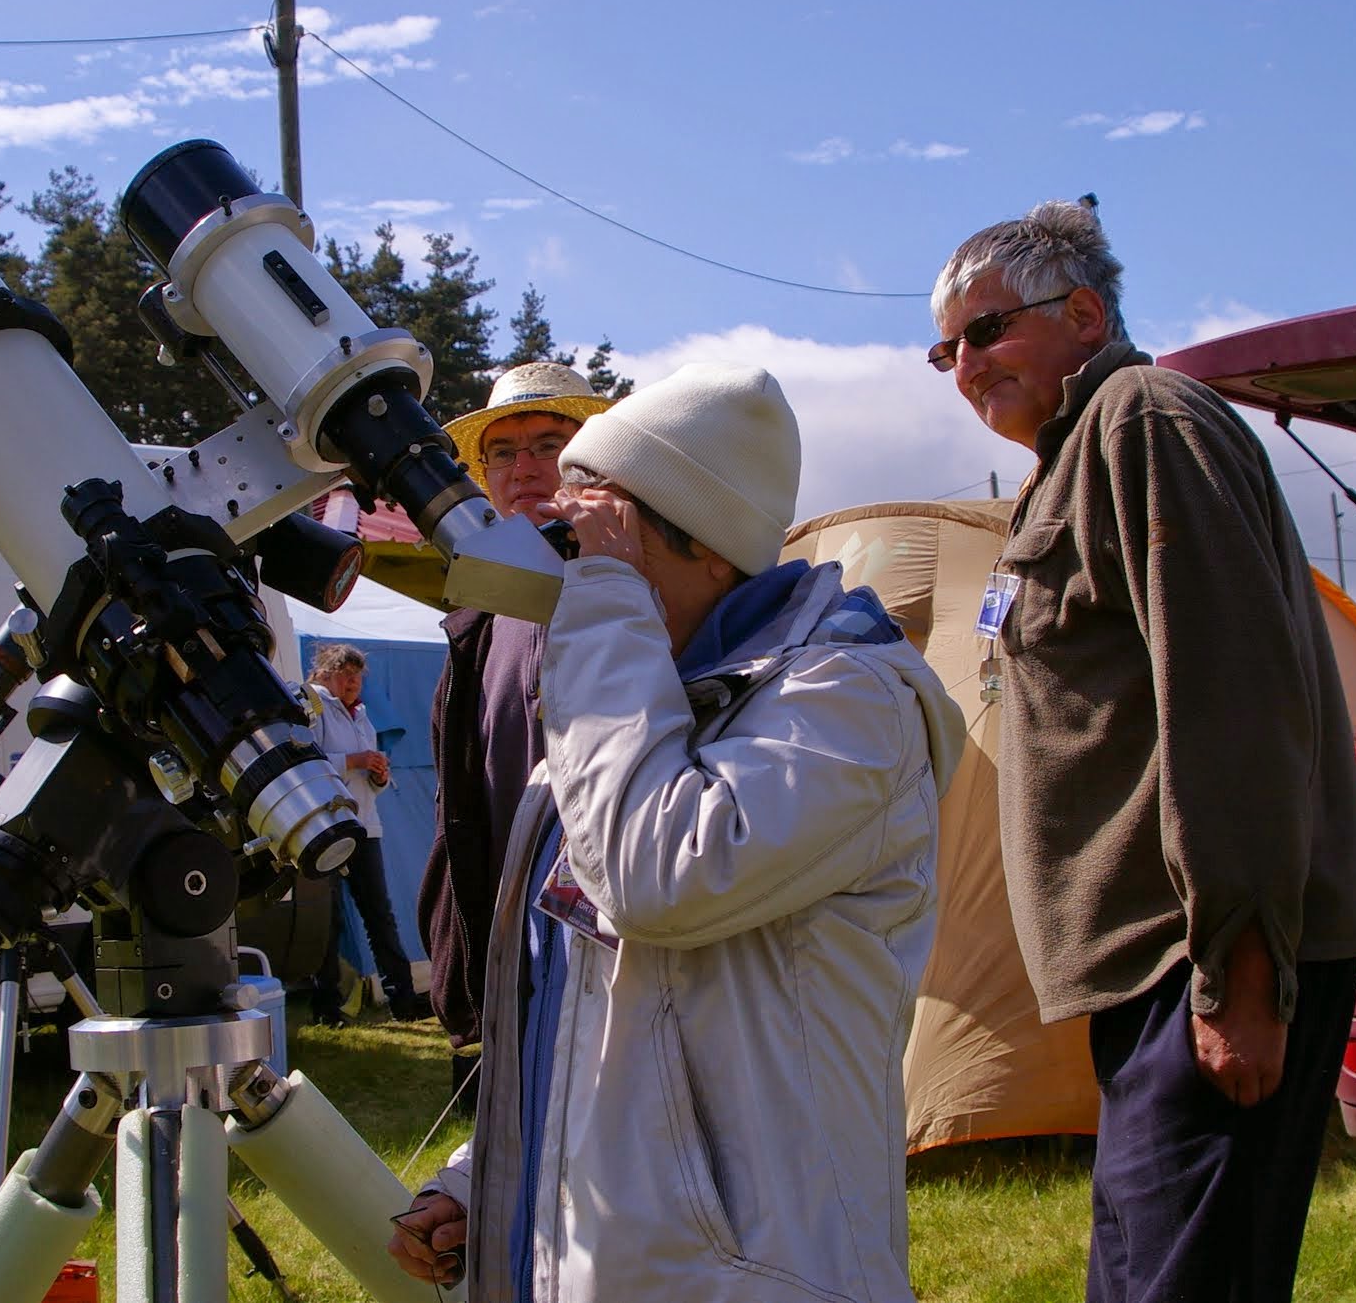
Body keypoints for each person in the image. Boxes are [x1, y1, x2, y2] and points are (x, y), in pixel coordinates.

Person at [387, 362, 965, 1302]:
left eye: (604, 531)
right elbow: (579, 1004)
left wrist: (604, 601)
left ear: (713, 548)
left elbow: (655, 880)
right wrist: (485, 1178)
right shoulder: (641, 704)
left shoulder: (848, 700)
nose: (574, 563)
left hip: (757, 1275)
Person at [929, 200, 1356, 1302]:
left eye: (986, 330)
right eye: (946, 351)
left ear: (1084, 314)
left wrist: (1242, 969)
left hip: (1203, 961)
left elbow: (1231, 700)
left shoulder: (1144, 419)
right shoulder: (1069, 455)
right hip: (1158, 972)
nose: (965, 366)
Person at [417, 363, 615, 1086]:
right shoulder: (476, 618)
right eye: (503, 452)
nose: (524, 468)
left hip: (610, 933)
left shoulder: (628, 586)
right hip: (504, 936)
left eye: (548, 445)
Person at [305, 643, 431, 1026]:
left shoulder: (362, 715)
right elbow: (305, 763)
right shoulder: (312, 706)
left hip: (364, 826)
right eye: (346, 675)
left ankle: (403, 1001)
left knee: (380, 916)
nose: (353, 683)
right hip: (322, 827)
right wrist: (353, 761)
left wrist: (379, 775)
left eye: (358, 676)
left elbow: (371, 785)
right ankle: (326, 1009)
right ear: (326, 673)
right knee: (326, 920)